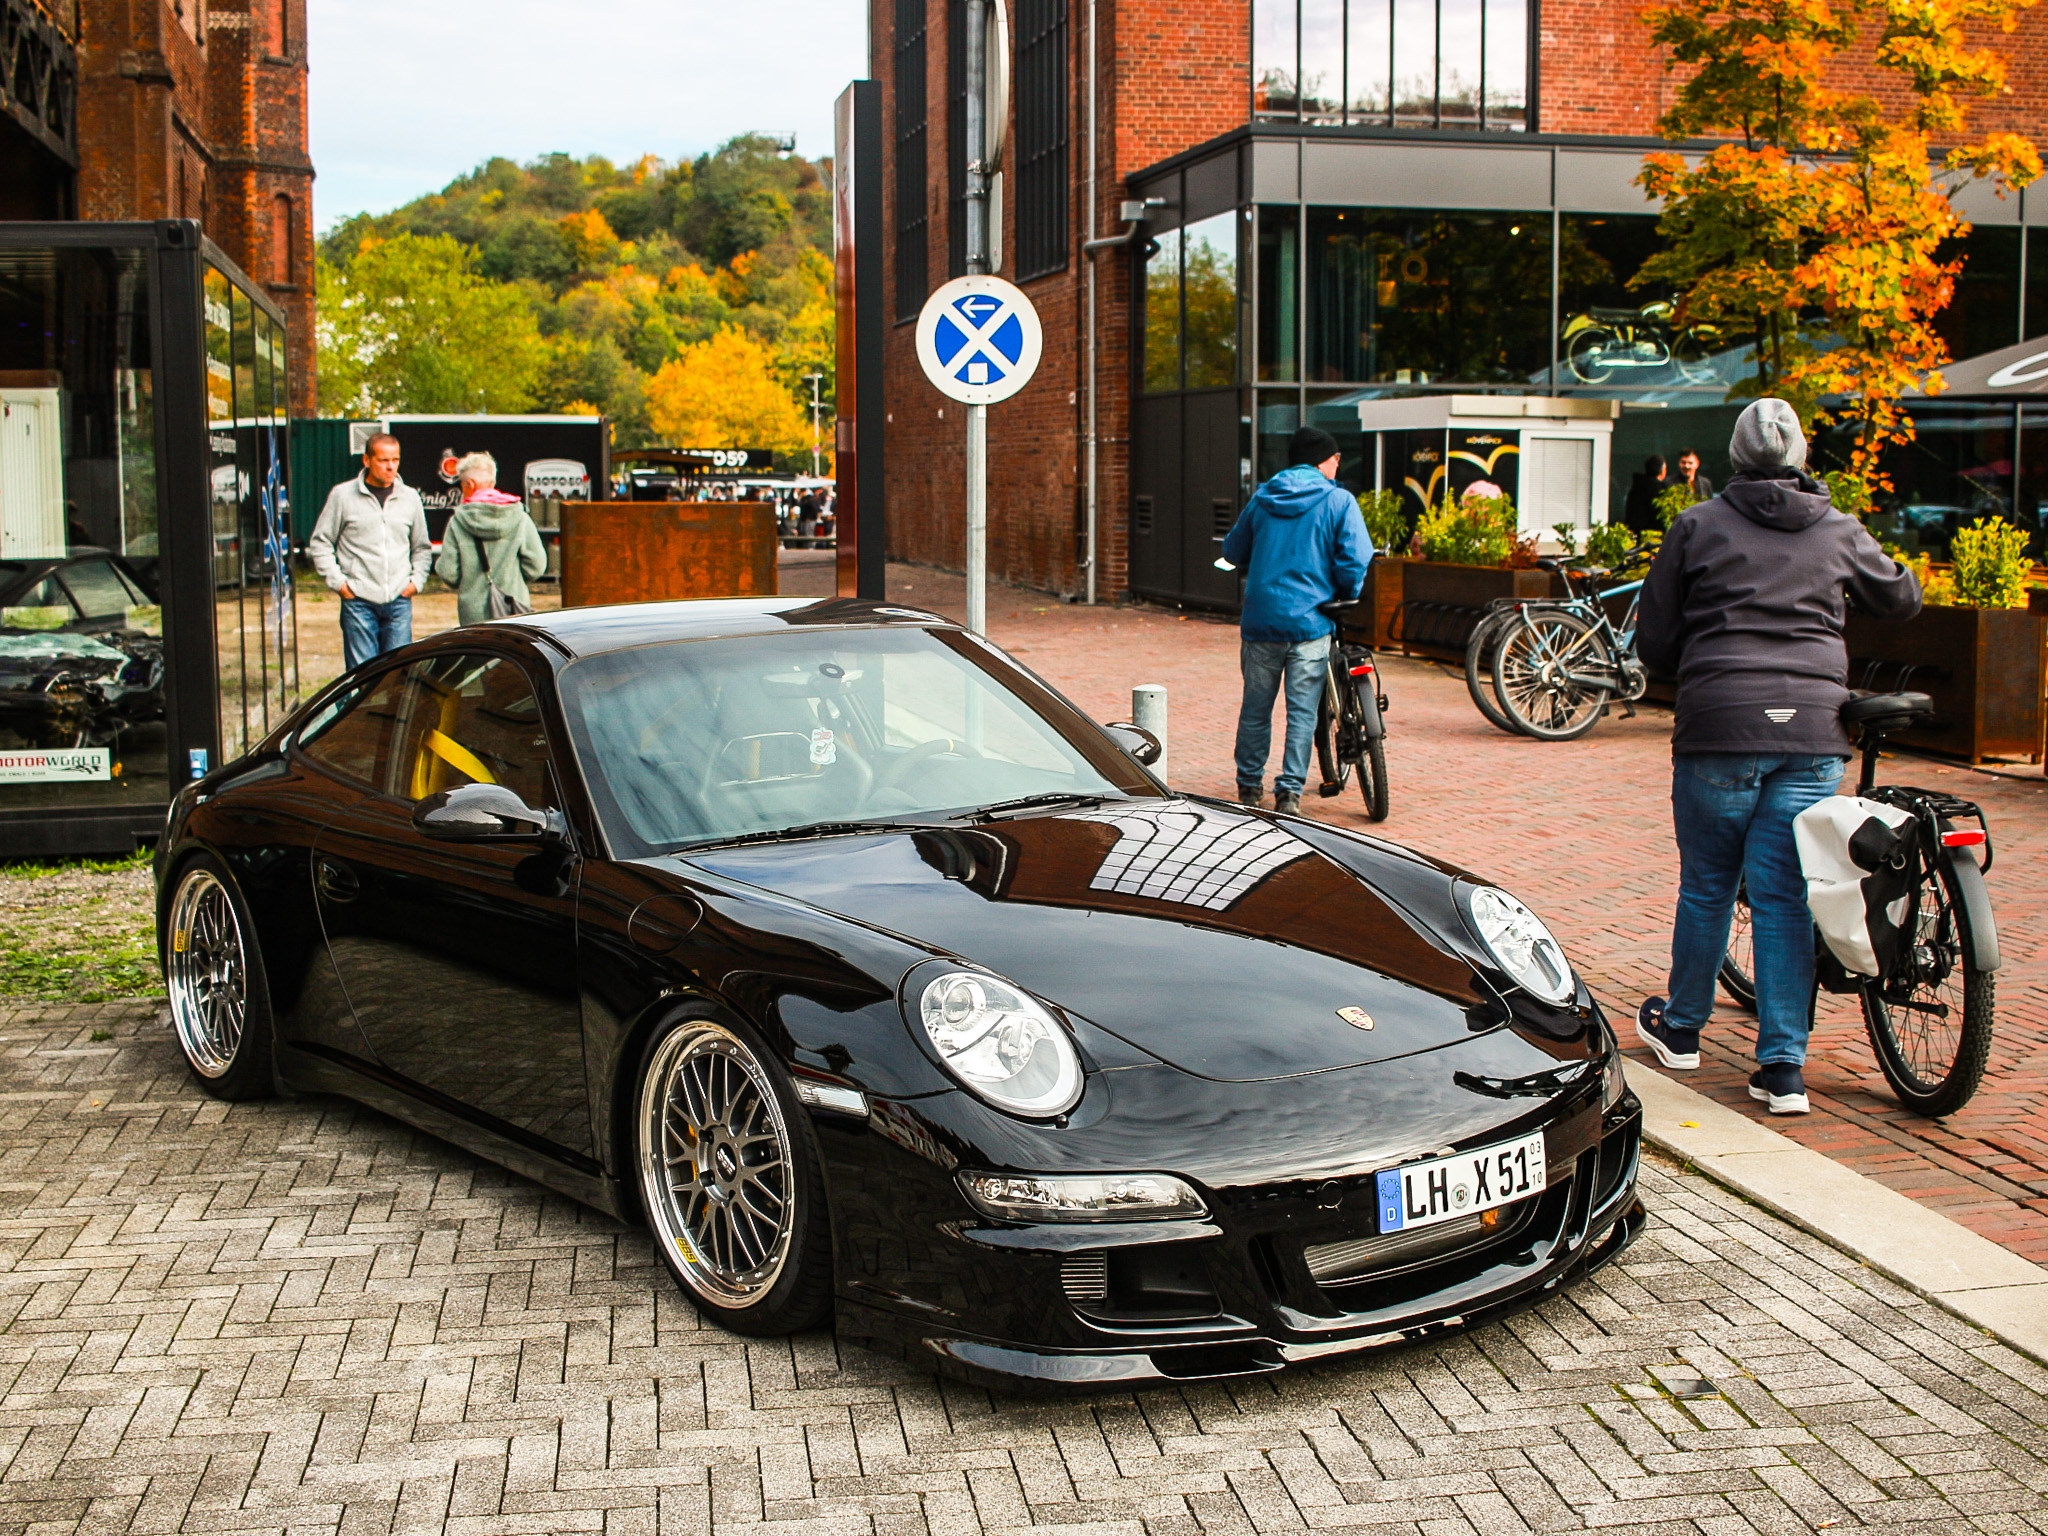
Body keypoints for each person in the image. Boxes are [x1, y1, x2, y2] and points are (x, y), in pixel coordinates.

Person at [1632, 398, 1921, 1115]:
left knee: (1708, 885)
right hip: (1811, 734)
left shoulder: (1697, 525)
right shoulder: (1838, 528)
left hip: (1722, 726)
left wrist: (1698, 665)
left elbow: (1654, 641)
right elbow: (1902, 599)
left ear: (1735, 457)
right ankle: (1783, 1068)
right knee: (1785, 894)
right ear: (1800, 459)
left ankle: (1682, 1029)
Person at [1220, 426, 1374, 815]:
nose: (1338, 465)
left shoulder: (1262, 498)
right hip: (1311, 622)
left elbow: (1233, 550)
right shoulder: (1338, 500)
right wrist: (1346, 590)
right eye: (1336, 458)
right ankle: (1289, 792)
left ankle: (1248, 786)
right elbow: (1355, 558)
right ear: (1323, 461)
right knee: (1302, 712)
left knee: (1256, 708)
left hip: (1262, 620)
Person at [308, 432, 432, 670]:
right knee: (363, 674)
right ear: (367, 460)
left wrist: (415, 582)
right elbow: (321, 542)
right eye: (383, 460)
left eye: (395, 460)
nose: (390, 467)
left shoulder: (410, 498)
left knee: (398, 673)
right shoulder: (342, 496)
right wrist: (340, 584)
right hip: (358, 600)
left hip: (399, 599)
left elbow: (421, 547)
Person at [434, 451, 548, 627]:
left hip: (473, 615)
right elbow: (537, 566)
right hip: (513, 608)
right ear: (492, 482)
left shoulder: (457, 521)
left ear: (469, 484)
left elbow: (449, 572)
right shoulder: (519, 516)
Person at [1622, 455, 1669, 534]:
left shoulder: (1636, 486)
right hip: (1653, 534)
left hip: (1634, 533)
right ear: (1663, 471)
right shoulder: (1660, 490)